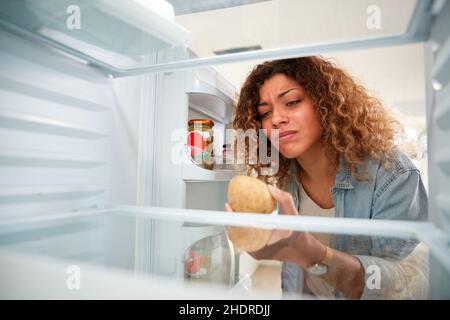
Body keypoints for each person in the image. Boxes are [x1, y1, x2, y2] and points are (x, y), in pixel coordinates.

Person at [225, 57, 429, 299]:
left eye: (291, 102)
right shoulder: (287, 178)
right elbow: (297, 275)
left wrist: (312, 253)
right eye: (265, 113)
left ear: (326, 103)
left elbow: (398, 287)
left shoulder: (392, 173)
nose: (276, 119)